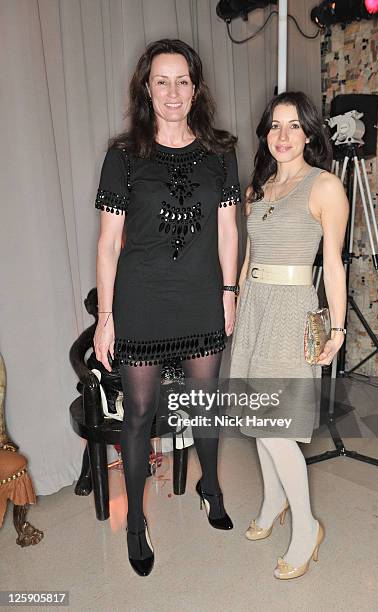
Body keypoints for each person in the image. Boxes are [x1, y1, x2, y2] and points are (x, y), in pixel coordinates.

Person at [93, 39, 241, 576]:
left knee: (205, 405)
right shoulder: (125, 156)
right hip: (143, 301)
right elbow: (109, 244)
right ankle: (135, 521)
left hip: (202, 298)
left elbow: (229, 231)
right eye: (162, 81)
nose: (173, 92)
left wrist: (229, 294)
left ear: (196, 88)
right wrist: (106, 319)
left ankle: (212, 486)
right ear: (146, 88)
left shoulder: (221, 152)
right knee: (138, 417)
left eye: (183, 81)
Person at [230, 91, 349, 579]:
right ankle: (272, 502)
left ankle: (306, 526)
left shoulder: (324, 187)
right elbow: (249, 258)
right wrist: (234, 303)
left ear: (309, 132)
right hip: (256, 308)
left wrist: (338, 328)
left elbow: (335, 264)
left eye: (294, 126)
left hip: (292, 309)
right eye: (274, 126)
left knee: (276, 429)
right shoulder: (257, 188)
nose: (282, 136)